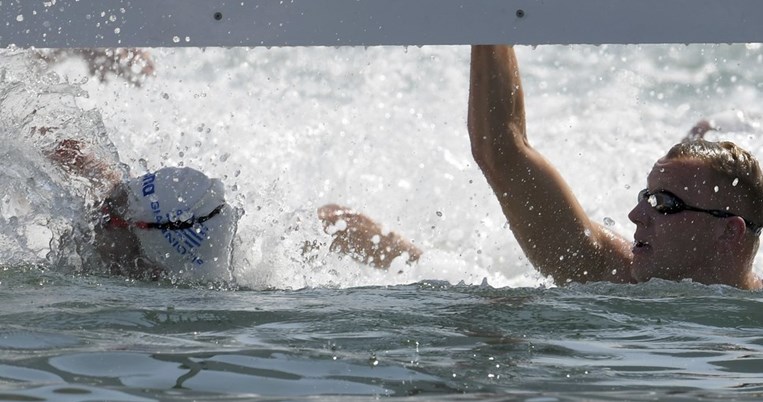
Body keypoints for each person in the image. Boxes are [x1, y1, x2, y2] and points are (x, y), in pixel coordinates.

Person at [467, 45, 763, 290]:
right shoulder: (607, 272)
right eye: (644, 198)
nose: (635, 216)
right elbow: (501, 150)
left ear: (729, 232)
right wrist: (494, 23)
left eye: (663, 204)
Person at [49, 138, 421, 282]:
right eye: (112, 208)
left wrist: (430, 270)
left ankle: (421, 263)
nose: (103, 215)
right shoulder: (123, 203)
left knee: (324, 226)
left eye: (113, 216)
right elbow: (68, 150)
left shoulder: (221, 276)